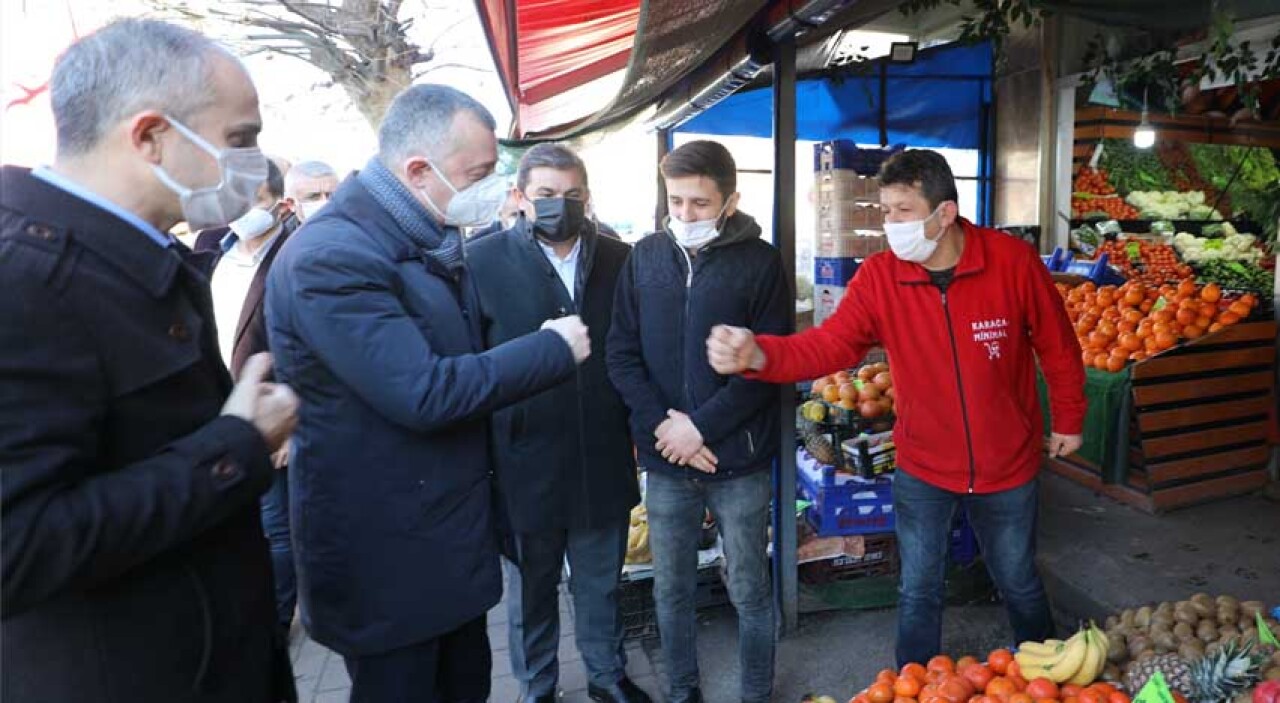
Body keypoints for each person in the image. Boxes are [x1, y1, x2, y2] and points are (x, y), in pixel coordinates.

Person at [0, 18, 299, 703]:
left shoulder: (133, 255)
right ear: (150, 136)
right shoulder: (23, 280)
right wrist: (237, 445)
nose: (254, 163)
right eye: (240, 140)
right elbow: (16, 548)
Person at [265, 84, 593, 702]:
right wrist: (550, 349)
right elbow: (423, 390)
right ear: (419, 171)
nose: (489, 189)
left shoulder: (420, 240)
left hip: (439, 550)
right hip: (387, 562)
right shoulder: (333, 255)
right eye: (476, 174)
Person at [705, 149, 1087, 666]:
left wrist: (1069, 418)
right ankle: (913, 687)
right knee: (918, 590)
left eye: (902, 211)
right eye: (884, 211)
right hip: (924, 466)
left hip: (1007, 463)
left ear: (944, 213)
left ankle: (1052, 677)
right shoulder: (880, 278)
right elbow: (830, 345)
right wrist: (760, 354)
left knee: (1018, 580)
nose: (889, 225)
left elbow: (1058, 344)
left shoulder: (1011, 262)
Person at [606, 140, 790, 703]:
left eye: (700, 203)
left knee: (750, 589)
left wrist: (700, 429)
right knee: (672, 589)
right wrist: (670, 429)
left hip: (739, 462)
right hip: (666, 460)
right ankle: (683, 691)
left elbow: (768, 364)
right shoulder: (645, 256)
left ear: (730, 199)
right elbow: (621, 352)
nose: (684, 215)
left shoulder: (760, 262)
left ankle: (755, 693)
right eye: (675, 202)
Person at [468, 144, 649, 703]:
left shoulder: (623, 259)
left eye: (571, 195)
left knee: (600, 582)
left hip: (601, 450)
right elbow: (470, 364)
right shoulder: (480, 262)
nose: (559, 205)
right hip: (525, 457)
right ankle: (537, 686)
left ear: (587, 196)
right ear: (519, 197)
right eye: (545, 195)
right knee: (532, 589)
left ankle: (606, 674)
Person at [209, 158, 300, 643]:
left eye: (253, 198)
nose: (241, 209)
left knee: (277, 528)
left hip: (276, 415)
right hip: (229, 412)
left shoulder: (292, 256)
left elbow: (303, 345)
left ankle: (278, 621)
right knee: (260, 524)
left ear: (279, 204)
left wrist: (293, 421)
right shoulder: (223, 261)